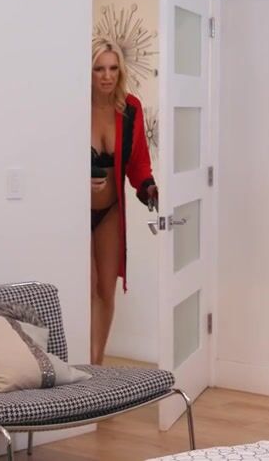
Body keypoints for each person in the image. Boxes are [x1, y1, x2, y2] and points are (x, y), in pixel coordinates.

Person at [90, 38, 158, 365]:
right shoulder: (75, 106)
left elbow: (138, 161)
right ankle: (82, 366)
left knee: (106, 290)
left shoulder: (130, 108)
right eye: (99, 69)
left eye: (113, 68)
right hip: (75, 213)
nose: (107, 76)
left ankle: (96, 366)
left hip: (111, 210)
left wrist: (148, 187)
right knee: (86, 288)